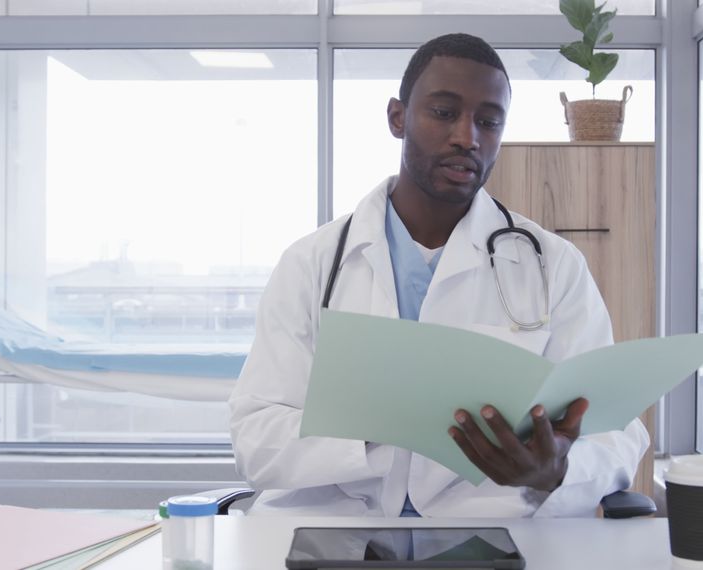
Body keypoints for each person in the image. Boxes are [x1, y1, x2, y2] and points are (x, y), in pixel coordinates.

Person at [229, 33, 648, 518]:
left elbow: (616, 431)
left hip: (491, 528)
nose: (467, 137)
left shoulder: (554, 265)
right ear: (398, 117)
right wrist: (376, 427)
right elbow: (255, 439)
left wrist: (556, 471)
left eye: (488, 121)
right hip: (333, 527)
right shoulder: (312, 263)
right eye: (445, 112)